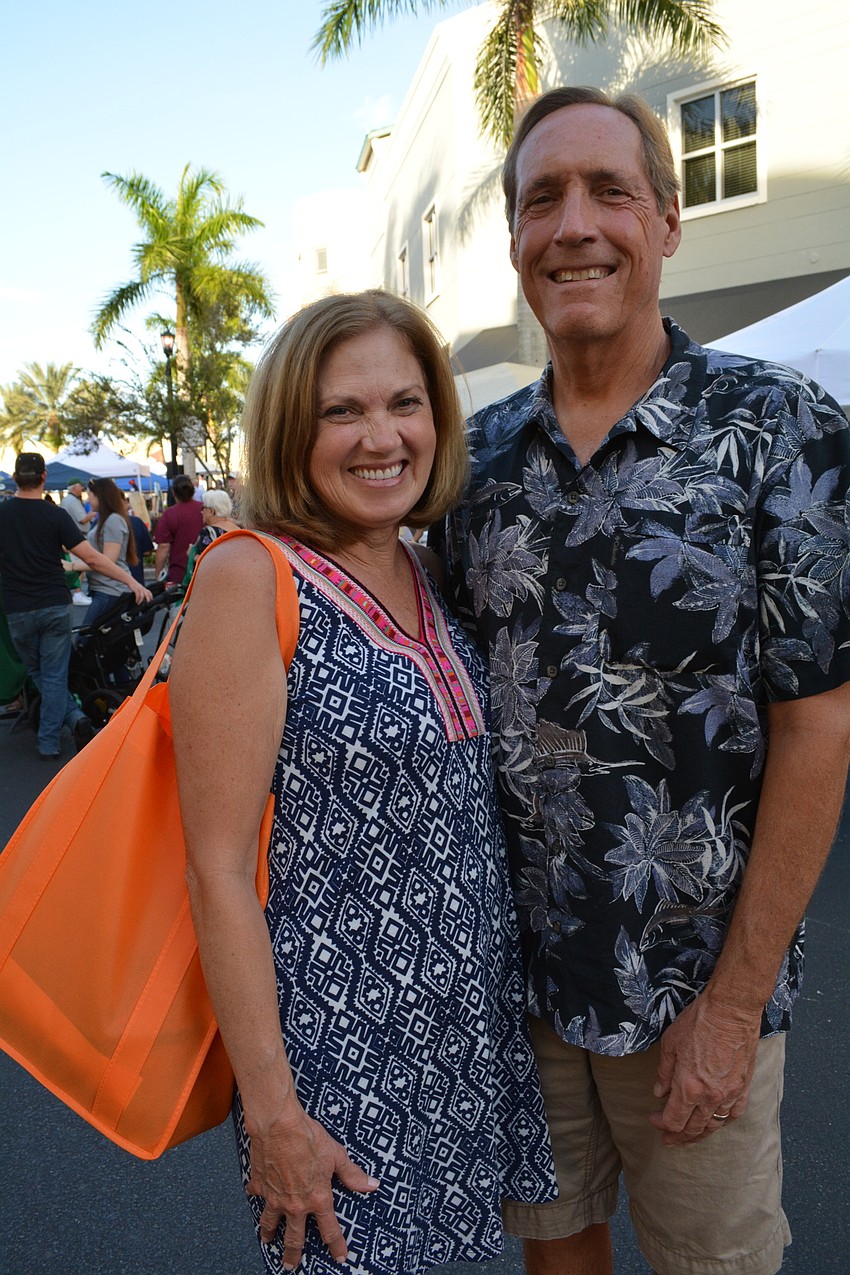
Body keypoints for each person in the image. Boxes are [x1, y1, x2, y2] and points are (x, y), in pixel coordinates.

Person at [436, 87, 850, 1275]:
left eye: (608, 191)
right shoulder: (474, 467)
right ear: (515, 240)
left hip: (693, 998)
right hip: (521, 992)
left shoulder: (780, 431)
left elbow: (818, 728)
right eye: (540, 200)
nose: (572, 225)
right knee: (557, 1256)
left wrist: (732, 1006)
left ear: (667, 222)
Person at [168, 291, 557, 1275]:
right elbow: (215, 870)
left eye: (405, 403)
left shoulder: (426, 570)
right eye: (342, 411)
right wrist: (274, 1117)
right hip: (338, 1067)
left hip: (462, 1043)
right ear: (292, 430)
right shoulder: (249, 578)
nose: (381, 436)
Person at [0, 453, 150, 758]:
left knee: (37, 671)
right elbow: (94, 558)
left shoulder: (2, 514)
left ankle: (59, 730)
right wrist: (131, 581)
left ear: (15, 478)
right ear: (43, 478)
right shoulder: (54, 516)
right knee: (53, 674)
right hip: (55, 605)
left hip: (17, 607)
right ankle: (59, 731)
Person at [84, 477, 141, 625]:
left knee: (85, 640)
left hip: (111, 590)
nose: (87, 499)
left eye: (89, 494)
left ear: (99, 496)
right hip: (108, 589)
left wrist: (72, 566)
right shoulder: (108, 519)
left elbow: (108, 560)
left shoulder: (113, 520)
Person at [181, 489, 241, 588]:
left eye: (203, 508)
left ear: (212, 511)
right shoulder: (238, 529)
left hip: (217, 585)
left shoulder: (208, 532)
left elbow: (209, 562)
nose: (201, 512)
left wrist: (192, 554)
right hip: (236, 581)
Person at [153, 473, 204, 584]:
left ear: (173, 493)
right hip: (204, 571)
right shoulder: (205, 509)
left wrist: (157, 574)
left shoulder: (169, 514)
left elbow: (163, 546)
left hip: (179, 575)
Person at [60, 478, 96, 605]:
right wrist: (92, 514)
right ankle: (77, 593)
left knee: (76, 563)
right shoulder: (72, 501)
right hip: (77, 536)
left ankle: (77, 593)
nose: (82, 488)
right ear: (75, 487)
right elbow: (82, 519)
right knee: (79, 563)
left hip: (72, 535)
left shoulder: (67, 500)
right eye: (81, 486)